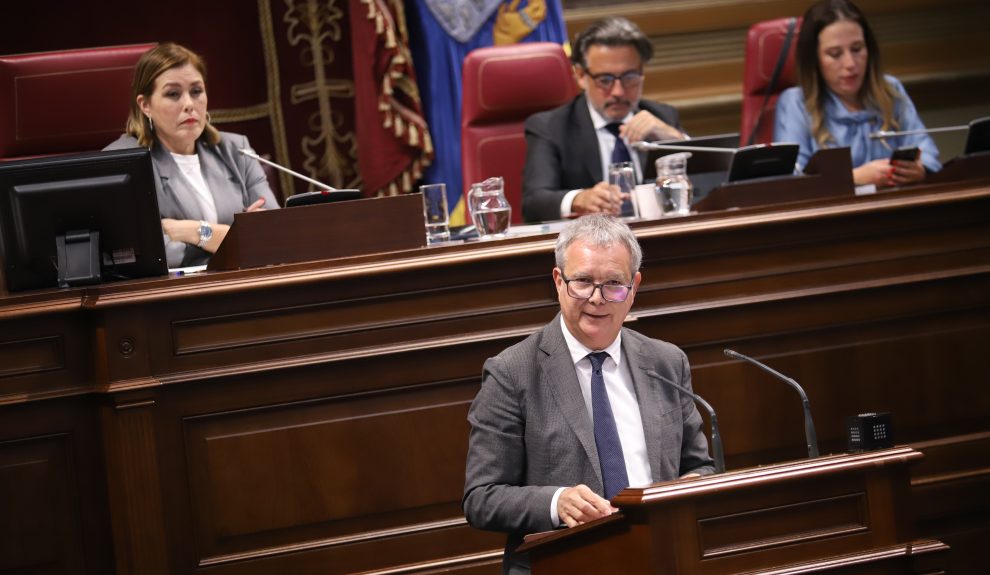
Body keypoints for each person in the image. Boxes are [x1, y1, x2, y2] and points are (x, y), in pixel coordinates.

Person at [463, 214, 714, 574]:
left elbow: (701, 467)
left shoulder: (666, 362)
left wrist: (691, 487)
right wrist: (556, 501)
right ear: (558, 281)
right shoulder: (512, 373)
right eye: (583, 282)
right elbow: (481, 498)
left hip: (664, 558)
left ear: (634, 287)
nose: (597, 299)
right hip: (564, 562)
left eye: (614, 284)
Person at [105, 42, 278, 268]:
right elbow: (143, 254)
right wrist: (234, 238)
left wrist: (196, 231)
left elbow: (273, 235)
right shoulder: (123, 163)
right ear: (145, 105)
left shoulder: (236, 150)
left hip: (243, 286)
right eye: (173, 94)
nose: (189, 104)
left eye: (196, 91)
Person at [521, 17, 687, 223]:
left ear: (642, 74)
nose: (618, 91)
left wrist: (676, 139)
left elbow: (708, 186)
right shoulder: (551, 127)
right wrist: (578, 198)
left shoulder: (664, 117)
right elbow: (534, 202)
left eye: (629, 77)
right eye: (605, 80)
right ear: (581, 76)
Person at [773, 0, 940, 187]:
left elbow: (928, 153)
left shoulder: (890, 90)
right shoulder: (796, 102)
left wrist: (920, 169)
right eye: (835, 54)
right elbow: (792, 182)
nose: (850, 64)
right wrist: (854, 178)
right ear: (815, 60)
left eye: (857, 49)